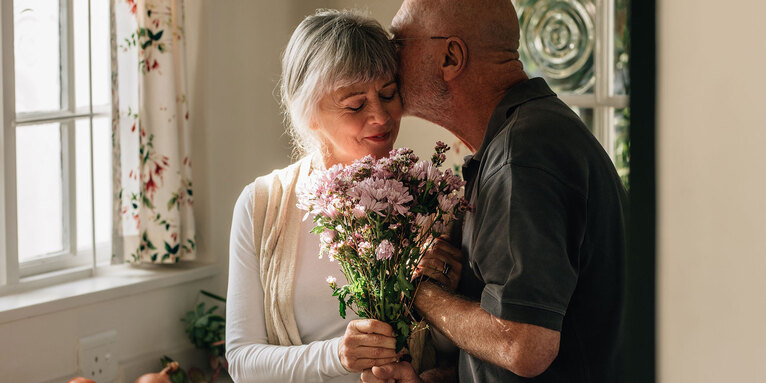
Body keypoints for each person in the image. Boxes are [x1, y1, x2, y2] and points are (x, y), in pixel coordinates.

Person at [363, 0, 627, 382]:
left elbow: (523, 345)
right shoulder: (524, 139)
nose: (389, 57)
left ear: (451, 56)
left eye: (399, 42)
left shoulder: (522, 156)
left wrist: (419, 290)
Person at [225, 9, 460, 383]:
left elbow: (457, 360)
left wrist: (442, 296)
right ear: (309, 112)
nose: (381, 116)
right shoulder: (262, 205)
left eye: (388, 94)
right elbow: (241, 362)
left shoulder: (432, 204)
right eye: (355, 104)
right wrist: (336, 355)